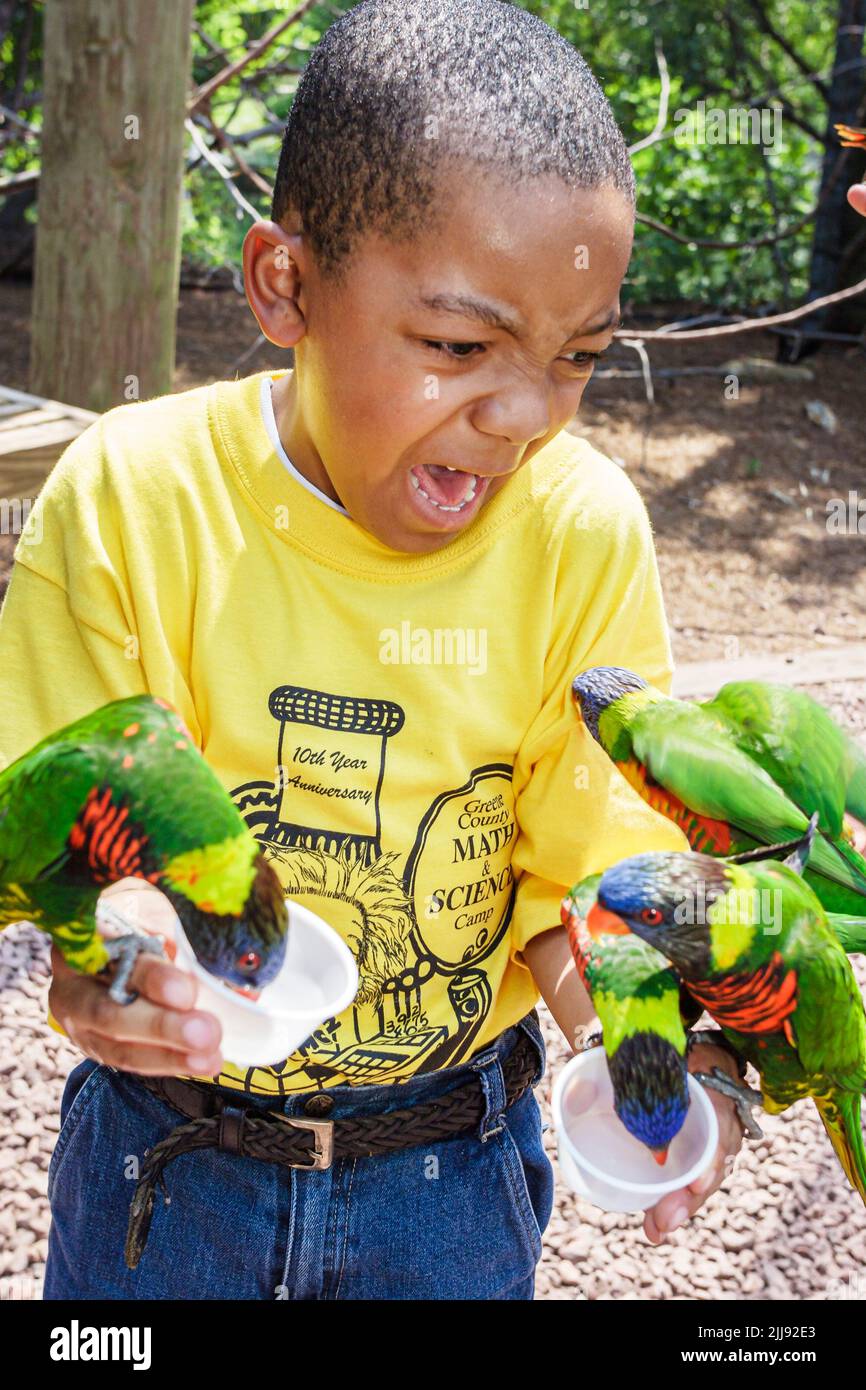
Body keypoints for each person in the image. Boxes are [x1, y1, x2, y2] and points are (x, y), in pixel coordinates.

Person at [0, 0, 752, 1300]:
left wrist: (644, 1063)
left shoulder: (577, 533)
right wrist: (110, 967)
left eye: (577, 357)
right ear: (284, 285)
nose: (521, 413)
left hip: (448, 1179)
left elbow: (587, 893)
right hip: (164, 1167)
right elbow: (68, 838)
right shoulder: (135, 499)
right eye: (457, 347)